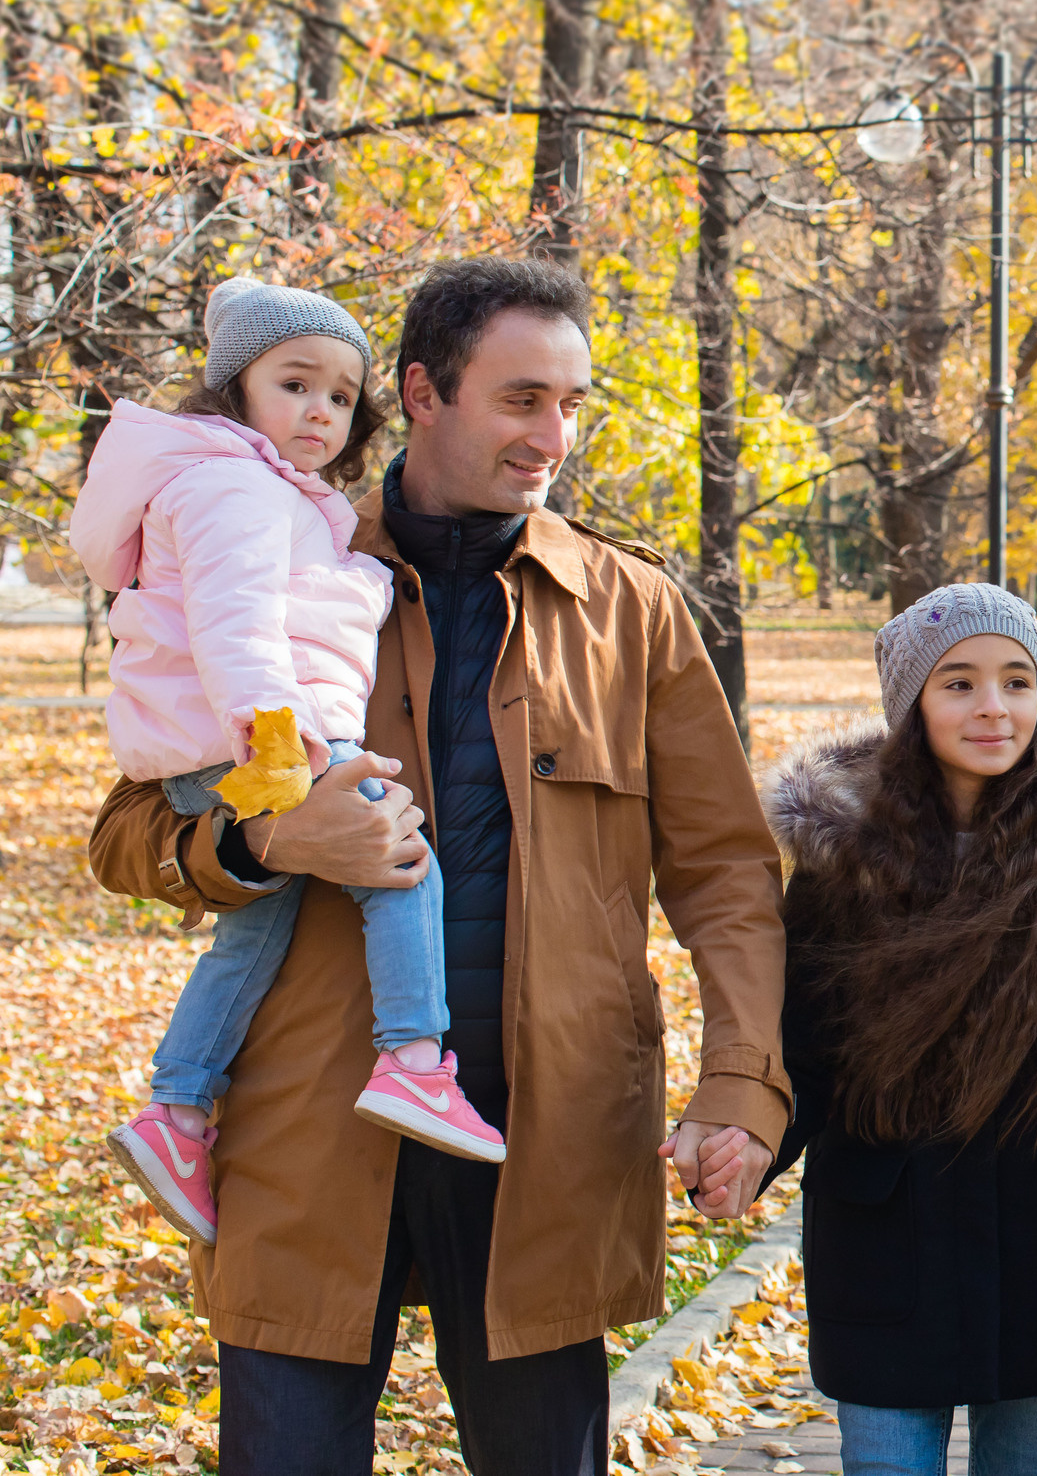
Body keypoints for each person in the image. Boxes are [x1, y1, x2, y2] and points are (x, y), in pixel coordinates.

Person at [86, 258, 788, 1476]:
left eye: (574, 402)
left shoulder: (633, 611)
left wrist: (744, 1081)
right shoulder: (272, 553)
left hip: (539, 1134)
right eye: (522, 399)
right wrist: (264, 840)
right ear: (420, 391)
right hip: (305, 1126)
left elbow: (727, 869)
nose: (552, 436)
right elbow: (126, 831)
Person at [73, 279, 505, 1250]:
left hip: (218, 739)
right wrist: (279, 750)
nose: (319, 410)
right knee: (400, 857)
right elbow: (236, 627)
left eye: (340, 395)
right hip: (266, 735)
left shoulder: (260, 488)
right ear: (235, 390)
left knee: (250, 936)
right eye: (294, 383)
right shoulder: (232, 483)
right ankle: (414, 1057)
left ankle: (176, 1110)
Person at [756, 584, 1037, 1476]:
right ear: (910, 705)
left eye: (1015, 681)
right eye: (957, 684)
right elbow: (801, 1051)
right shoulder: (838, 873)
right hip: (887, 1235)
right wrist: (742, 1140)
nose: (992, 708)